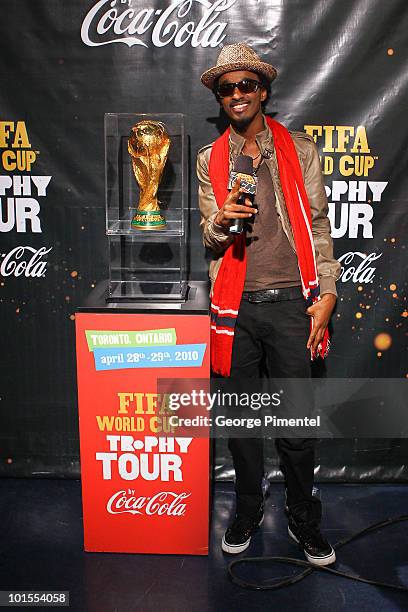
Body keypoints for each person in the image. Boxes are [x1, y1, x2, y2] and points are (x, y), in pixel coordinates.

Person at [197, 43, 341, 566]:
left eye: (247, 85)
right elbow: (210, 240)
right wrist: (220, 220)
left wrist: (327, 292)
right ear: (219, 97)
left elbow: (320, 225)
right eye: (227, 88)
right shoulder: (209, 160)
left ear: (263, 92)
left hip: (292, 306)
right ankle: (248, 508)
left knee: (296, 427)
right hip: (236, 307)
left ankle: (304, 518)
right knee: (241, 428)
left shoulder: (299, 149)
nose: (237, 94)